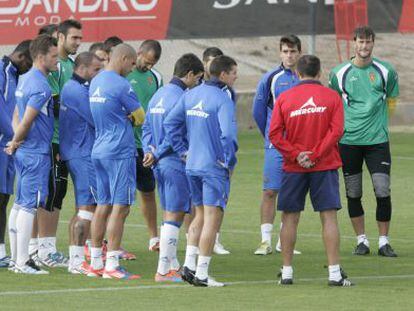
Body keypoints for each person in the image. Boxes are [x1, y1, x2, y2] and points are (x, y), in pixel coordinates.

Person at [268, 55, 353, 287]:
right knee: (328, 217)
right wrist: (315, 155)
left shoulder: (285, 98)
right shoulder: (332, 97)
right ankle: (334, 274)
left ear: (297, 73)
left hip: (294, 167)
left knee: (289, 218)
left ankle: (286, 272)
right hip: (324, 165)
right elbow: (337, 131)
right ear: (319, 73)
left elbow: (274, 134)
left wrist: (297, 155)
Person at [165, 55, 238, 287]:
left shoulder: (191, 94)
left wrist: (183, 151)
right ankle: (203, 274)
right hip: (213, 168)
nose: (236, 76)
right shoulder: (223, 99)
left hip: (192, 165)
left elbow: (170, 124)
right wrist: (229, 161)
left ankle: (188, 265)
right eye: (234, 72)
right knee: (212, 219)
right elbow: (228, 135)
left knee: (198, 215)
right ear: (224, 74)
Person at [329, 26, 399, 257]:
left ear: (373, 44)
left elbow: (391, 100)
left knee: (382, 190)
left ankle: (383, 241)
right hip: (349, 142)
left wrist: (380, 123)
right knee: (353, 192)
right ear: (354, 43)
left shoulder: (385, 71)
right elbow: (333, 104)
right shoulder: (339, 73)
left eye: (368, 42)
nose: (364, 46)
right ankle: (362, 241)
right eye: (360, 42)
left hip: (378, 141)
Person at [142, 53, 204, 282]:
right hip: (173, 162)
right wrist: (158, 152)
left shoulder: (159, 94)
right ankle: (163, 270)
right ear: (189, 75)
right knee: (174, 214)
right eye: (197, 79)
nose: (197, 84)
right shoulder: (181, 97)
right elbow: (173, 132)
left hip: (158, 163)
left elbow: (147, 127)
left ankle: (172, 264)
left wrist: (150, 150)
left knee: (170, 211)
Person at [28, 19, 83, 268]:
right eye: (74, 38)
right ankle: (43, 249)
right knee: (48, 194)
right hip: (52, 139)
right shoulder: (51, 67)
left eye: (80, 38)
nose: (78, 43)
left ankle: (39, 248)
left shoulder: (70, 65)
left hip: (67, 139)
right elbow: (52, 103)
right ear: (60, 36)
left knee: (56, 194)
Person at [88, 44, 144, 280]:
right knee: (121, 208)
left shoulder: (96, 81)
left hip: (99, 149)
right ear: (123, 58)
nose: (132, 70)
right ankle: (112, 265)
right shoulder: (122, 85)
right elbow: (141, 116)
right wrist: (130, 118)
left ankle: (95, 263)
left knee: (103, 206)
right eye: (131, 64)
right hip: (119, 151)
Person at [5, 34, 58, 274]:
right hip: (36, 151)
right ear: (40, 57)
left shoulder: (24, 79)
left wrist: (16, 141)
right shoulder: (41, 85)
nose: (57, 61)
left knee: (18, 204)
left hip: (25, 150)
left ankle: (17, 259)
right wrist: (17, 139)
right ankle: (22, 261)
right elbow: (26, 120)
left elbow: (16, 114)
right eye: (54, 56)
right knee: (28, 205)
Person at [252, 35, 302, 255]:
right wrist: (271, 137)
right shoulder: (271, 78)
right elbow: (258, 111)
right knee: (270, 191)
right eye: (285, 51)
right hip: (276, 145)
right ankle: (265, 241)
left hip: (300, 145)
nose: (289, 55)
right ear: (280, 53)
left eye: (293, 51)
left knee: (292, 192)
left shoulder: (306, 77)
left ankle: (284, 241)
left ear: (299, 52)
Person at [59, 52, 102, 274]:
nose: (99, 74)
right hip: (81, 153)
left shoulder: (75, 87)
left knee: (85, 207)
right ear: (83, 68)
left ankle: (78, 257)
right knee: (86, 208)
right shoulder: (76, 90)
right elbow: (96, 118)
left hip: (78, 151)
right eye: (96, 69)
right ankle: (76, 262)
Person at [127, 40, 163, 252]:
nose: (147, 66)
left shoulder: (156, 78)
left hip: (146, 144)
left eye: (152, 63)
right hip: (125, 143)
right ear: (138, 53)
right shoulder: (125, 73)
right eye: (146, 61)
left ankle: (153, 237)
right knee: (121, 195)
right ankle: (110, 243)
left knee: (148, 190)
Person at [0, 40, 32, 268]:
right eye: (29, 63)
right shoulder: (2, 71)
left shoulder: (16, 76)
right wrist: (16, 134)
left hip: (9, 144)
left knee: (3, 198)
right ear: (21, 57)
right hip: (5, 141)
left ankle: (1, 251)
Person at [200, 46, 233, 255]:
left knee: (220, 199)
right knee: (198, 206)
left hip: (216, 156)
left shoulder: (227, 92)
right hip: (206, 158)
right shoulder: (193, 87)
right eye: (210, 61)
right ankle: (199, 259)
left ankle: (214, 239)